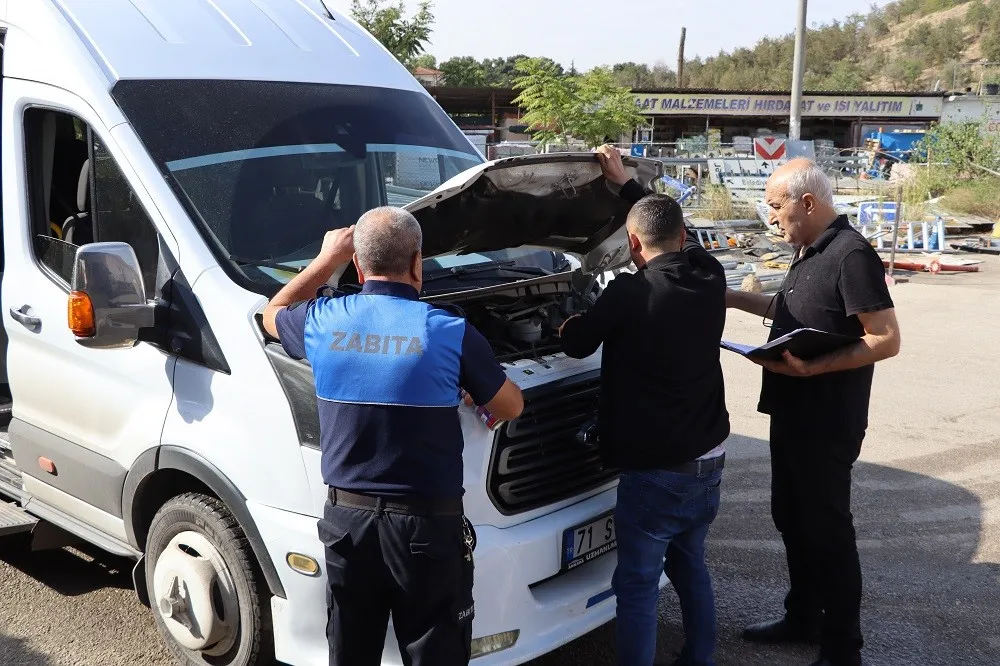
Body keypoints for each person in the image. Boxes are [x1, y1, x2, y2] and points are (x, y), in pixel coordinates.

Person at [261, 208, 524, 666]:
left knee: (351, 652)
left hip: (348, 526)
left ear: (358, 267)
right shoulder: (449, 332)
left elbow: (273, 313)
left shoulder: (323, 320)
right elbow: (510, 406)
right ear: (418, 263)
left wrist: (327, 259)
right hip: (427, 531)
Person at [559, 145, 731, 666]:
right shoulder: (710, 274)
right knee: (690, 566)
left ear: (633, 245)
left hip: (656, 471)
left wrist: (567, 324)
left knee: (636, 586)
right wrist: (627, 186)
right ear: (682, 238)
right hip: (709, 458)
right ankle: (699, 656)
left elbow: (577, 344)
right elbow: (672, 227)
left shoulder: (628, 295)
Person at [728, 158, 901, 666]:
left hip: (827, 420)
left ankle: (843, 647)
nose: (771, 216)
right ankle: (802, 616)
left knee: (827, 531)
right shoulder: (807, 250)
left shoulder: (852, 255)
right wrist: (733, 299)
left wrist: (813, 370)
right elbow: (790, 310)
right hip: (791, 413)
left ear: (807, 202)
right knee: (791, 518)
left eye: (776, 206)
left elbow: (885, 339)